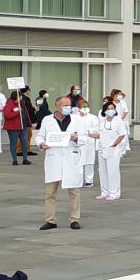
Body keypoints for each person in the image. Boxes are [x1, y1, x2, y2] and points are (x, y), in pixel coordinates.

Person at [37, 97, 87, 230]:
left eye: (69, 105)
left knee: (74, 192)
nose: (68, 107)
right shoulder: (48, 120)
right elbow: (40, 136)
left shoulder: (76, 119)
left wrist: (77, 138)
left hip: (71, 158)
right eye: (65, 105)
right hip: (54, 158)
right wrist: (42, 144)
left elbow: (85, 137)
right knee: (50, 193)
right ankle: (50, 220)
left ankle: (74, 219)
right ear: (57, 106)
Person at [96, 101, 126, 200]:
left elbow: (122, 134)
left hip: (113, 149)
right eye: (108, 109)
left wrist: (114, 144)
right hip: (102, 149)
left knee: (113, 171)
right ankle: (104, 191)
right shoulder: (102, 122)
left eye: (112, 108)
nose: (110, 110)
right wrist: (90, 135)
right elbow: (100, 134)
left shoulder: (118, 121)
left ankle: (114, 192)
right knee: (103, 171)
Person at [3, 91, 31, 165]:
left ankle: (25, 159)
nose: (21, 98)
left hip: (23, 126)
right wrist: (18, 112)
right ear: (16, 97)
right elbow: (7, 115)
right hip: (13, 128)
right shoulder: (9, 104)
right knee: (13, 143)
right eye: (20, 96)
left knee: (24, 143)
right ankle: (14, 160)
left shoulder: (22, 103)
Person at [76, 100, 99, 188]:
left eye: (86, 106)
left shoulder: (93, 117)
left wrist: (90, 131)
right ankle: (78, 179)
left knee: (89, 161)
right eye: (82, 107)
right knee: (78, 161)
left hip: (89, 139)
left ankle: (89, 180)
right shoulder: (74, 117)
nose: (84, 108)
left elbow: (96, 128)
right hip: (78, 139)